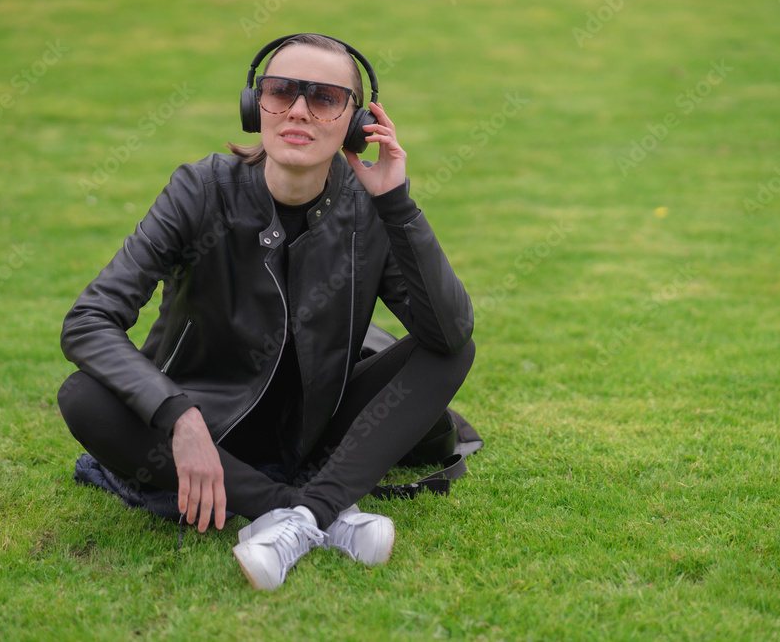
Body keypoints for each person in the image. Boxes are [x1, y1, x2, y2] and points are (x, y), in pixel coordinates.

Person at [57, 33, 475, 590]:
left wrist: (394, 204)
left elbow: (449, 332)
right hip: (209, 426)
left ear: (357, 123)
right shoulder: (200, 190)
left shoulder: (370, 208)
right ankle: (303, 510)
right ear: (257, 106)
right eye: (281, 91)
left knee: (452, 350)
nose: (299, 110)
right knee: (82, 395)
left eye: (324, 98)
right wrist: (177, 414)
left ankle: (307, 513)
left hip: (315, 428)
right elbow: (88, 321)